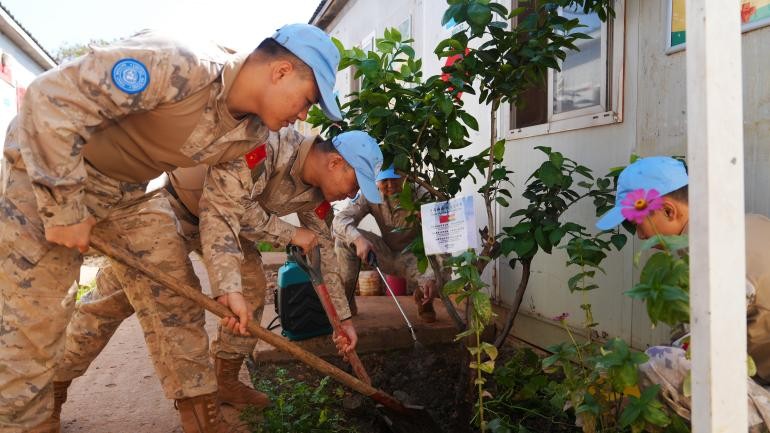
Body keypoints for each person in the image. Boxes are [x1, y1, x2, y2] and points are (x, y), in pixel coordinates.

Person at [0, 23, 342, 433]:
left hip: (128, 193)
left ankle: (199, 414)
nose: (305, 115)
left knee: (178, 303)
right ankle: (33, 416)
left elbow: (219, 211)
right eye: (308, 99)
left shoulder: (251, 132)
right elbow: (48, 98)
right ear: (282, 71)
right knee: (35, 322)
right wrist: (66, 206)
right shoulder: (183, 62)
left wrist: (228, 286)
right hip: (49, 167)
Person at [53, 128, 380, 425]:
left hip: (228, 232)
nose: (351, 196)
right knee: (115, 302)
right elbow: (229, 206)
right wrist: (290, 233)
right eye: (355, 185)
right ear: (336, 163)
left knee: (250, 291)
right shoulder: (266, 145)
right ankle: (53, 386)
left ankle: (224, 381)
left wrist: (343, 319)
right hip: (173, 214)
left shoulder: (317, 194)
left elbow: (324, 255)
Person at [596, 156, 770, 430]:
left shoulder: (703, 260)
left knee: (657, 365)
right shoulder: (749, 222)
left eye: (637, 222)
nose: (639, 236)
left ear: (668, 210)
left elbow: (699, 352)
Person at [332, 166, 442, 322]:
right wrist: (357, 239)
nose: (390, 185)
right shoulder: (369, 193)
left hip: (416, 257)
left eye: (395, 178)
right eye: (384, 180)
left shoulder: (421, 193)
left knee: (437, 275)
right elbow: (340, 220)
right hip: (386, 253)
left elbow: (441, 235)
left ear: (405, 176)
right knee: (343, 240)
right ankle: (347, 302)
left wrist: (432, 276)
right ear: (375, 180)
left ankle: (424, 299)